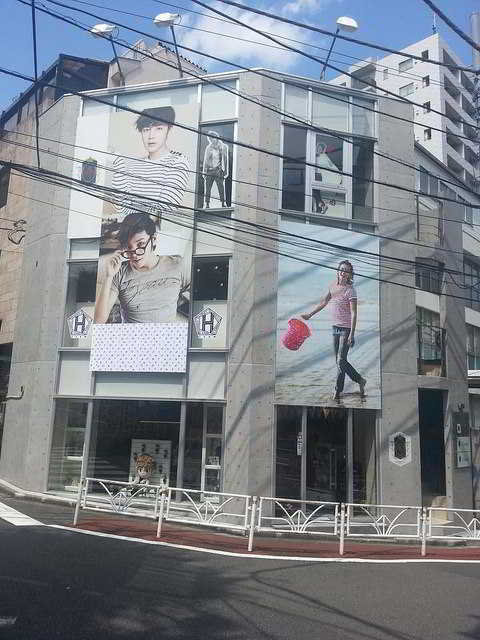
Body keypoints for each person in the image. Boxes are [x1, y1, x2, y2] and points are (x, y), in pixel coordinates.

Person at [94, 212, 190, 324]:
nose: (134, 254)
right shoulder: (119, 273)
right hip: (132, 334)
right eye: (128, 247)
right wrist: (108, 276)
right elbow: (98, 321)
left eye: (140, 244)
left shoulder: (176, 265)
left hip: (166, 334)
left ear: (153, 239)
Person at [111, 106, 190, 225]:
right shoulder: (134, 165)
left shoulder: (178, 162)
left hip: (157, 233)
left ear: (169, 129)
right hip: (129, 233)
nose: (151, 136)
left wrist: (133, 210)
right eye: (146, 129)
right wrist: (118, 162)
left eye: (158, 129)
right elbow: (120, 207)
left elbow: (165, 209)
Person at [301, 260, 366, 402]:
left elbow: (354, 313)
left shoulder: (351, 291)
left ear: (350, 274)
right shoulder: (332, 286)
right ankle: (359, 380)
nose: (343, 272)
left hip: (346, 329)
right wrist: (310, 315)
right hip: (335, 328)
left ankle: (338, 391)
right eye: (341, 269)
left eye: (347, 270)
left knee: (340, 360)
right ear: (338, 271)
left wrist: (352, 334)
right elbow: (323, 302)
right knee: (340, 362)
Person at [202, 130, 229, 208]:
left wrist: (226, 171)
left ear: (216, 138)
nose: (211, 140)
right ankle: (207, 203)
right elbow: (205, 160)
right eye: (209, 139)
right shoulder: (208, 148)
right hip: (209, 170)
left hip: (218, 170)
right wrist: (204, 171)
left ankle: (223, 203)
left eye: (212, 138)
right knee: (208, 188)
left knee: (221, 187)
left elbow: (225, 159)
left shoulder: (223, 146)